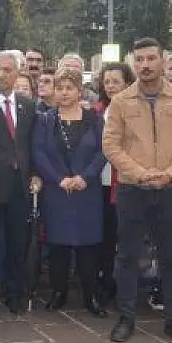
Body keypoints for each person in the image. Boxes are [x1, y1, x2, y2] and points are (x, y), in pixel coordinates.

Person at [102, 38, 172, 343]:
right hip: (133, 188)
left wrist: (171, 174)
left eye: (151, 59)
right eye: (140, 60)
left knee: (171, 257)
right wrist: (141, 173)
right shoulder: (121, 101)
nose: (145, 65)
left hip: (170, 190)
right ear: (134, 63)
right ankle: (126, 318)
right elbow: (111, 145)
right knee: (128, 256)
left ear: (162, 60)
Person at [32, 68, 107, 316]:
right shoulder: (45, 119)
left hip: (87, 191)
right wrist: (58, 178)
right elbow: (39, 153)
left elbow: (103, 151)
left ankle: (90, 295)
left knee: (88, 246)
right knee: (58, 246)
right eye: (60, 88)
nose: (64, 93)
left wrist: (85, 177)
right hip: (57, 191)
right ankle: (58, 292)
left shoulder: (94, 119)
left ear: (79, 90)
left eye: (69, 88)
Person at [0, 50, 40, 315]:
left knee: (18, 242)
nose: (1, 75)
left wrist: (34, 173)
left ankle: (15, 293)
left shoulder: (27, 105)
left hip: (20, 186)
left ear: (17, 72)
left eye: (6, 70)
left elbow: (31, 145)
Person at [94, 62, 136, 302]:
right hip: (99, 182)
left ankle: (124, 287)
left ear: (128, 84)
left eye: (115, 82)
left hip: (124, 183)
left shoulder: (134, 111)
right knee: (104, 236)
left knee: (124, 236)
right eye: (106, 81)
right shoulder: (97, 110)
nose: (110, 86)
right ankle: (104, 281)